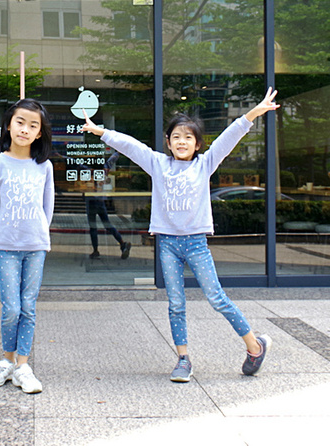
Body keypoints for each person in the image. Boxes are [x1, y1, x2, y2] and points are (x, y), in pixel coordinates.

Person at [81, 88, 279, 383]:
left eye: (188, 137)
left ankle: (254, 346)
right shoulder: (158, 164)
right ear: (169, 142)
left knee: (216, 298)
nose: (181, 142)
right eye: (176, 137)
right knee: (176, 303)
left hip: (196, 243)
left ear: (197, 143)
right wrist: (102, 132)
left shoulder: (205, 165)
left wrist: (253, 113)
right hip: (168, 244)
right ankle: (183, 359)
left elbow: (229, 136)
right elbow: (132, 147)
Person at [0, 99, 55, 394]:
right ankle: (6, 361)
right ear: (9, 125)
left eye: (33, 125)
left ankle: (22, 366)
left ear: (39, 133)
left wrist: (39, 233)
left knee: (28, 306)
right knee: (11, 307)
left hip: (36, 245)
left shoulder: (44, 166)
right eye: (20, 122)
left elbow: (47, 207)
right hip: (7, 246)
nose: (25, 129)